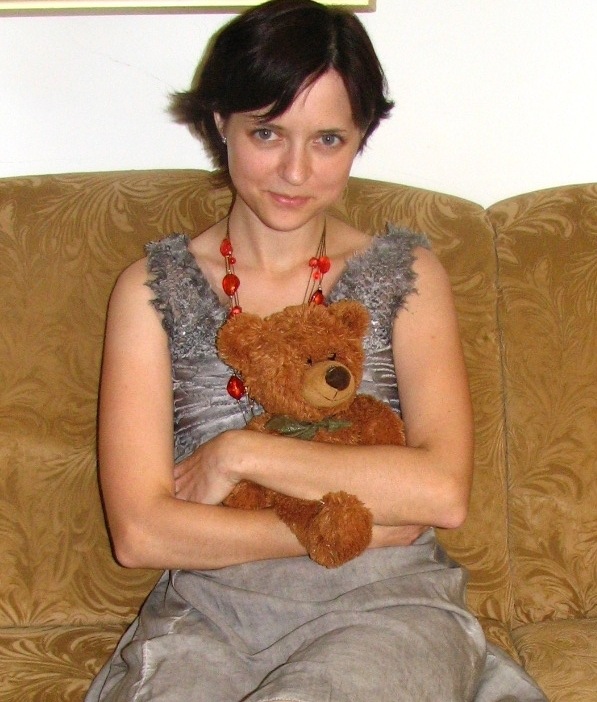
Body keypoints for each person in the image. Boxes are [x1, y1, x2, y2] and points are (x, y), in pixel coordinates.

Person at [86, 1, 547, 700]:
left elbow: (440, 491)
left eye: (328, 139)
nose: (295, 171)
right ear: (220, 122)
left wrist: (240, 455)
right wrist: (341, 526)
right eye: (267, 132)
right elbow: (141, 533)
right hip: (209, 614)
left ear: (360, 138)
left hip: (387, 605)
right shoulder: (152, 289)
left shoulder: (406, 276)